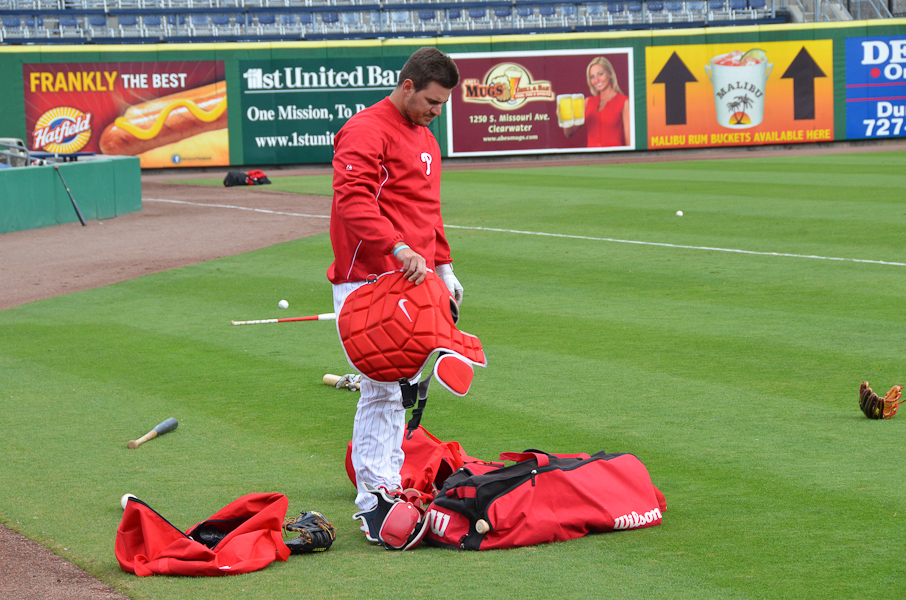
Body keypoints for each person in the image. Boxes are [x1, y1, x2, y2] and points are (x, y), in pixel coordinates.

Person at [326, 46, 463, 541]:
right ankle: (374, 502)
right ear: (407, 86)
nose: (436, 111)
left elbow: (429, 210)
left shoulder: (425, 137)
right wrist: (397, 245)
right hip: (369, 278)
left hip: (414, 281)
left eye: (442, 104)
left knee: (396, 389)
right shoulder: (365, 129)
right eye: (431, 101)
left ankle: (386, 485)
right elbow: (352, 198)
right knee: (382, 387)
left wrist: (444, 265)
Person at [563, 56, 631, 148]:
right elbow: (569, 133)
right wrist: (564, 117)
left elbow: (630, 144)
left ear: (610, 74)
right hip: (592, 159)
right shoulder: (587, 102)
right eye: (592, 76)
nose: (596, 80)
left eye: (600, 74)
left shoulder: (624, 102)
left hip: (614, 158)